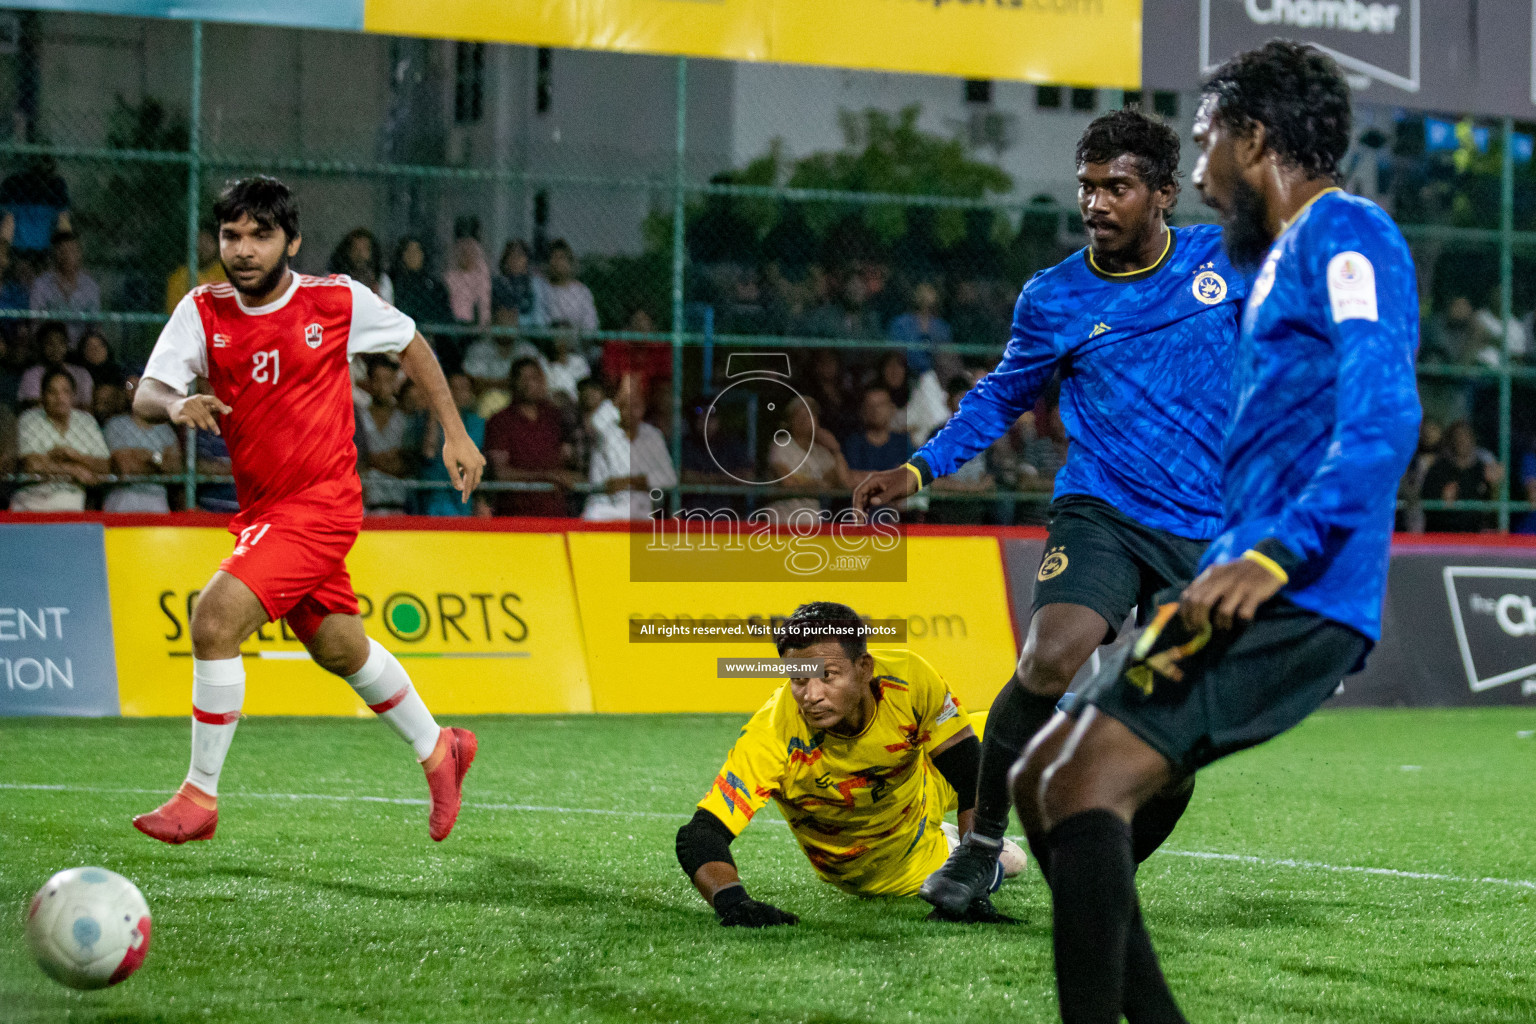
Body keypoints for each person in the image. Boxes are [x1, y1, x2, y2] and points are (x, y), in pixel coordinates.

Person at [1007, 42, 1420, 1024]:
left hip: (1295, 590)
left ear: (1257, 137)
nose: (1193, 165)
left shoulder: (1349, 236)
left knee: (1082, 785)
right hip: (1239, 581)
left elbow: (1384, 414)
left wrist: (1275, 551)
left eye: (1205, 137)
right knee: (1041, 784)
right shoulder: (1273, 260)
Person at [854, 107, 1246, 918]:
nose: (1097, 204)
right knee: (1046, 660)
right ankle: (981, 847)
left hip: (1206, 530)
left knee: (1173, 732)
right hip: (1100, 508)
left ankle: (1097, 875)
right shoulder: (1055, 295)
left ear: (1166, 193)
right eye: (1087, 187)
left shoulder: (1226, 261)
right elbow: (1003, 394)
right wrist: (921, 466)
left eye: (1118, 187)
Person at [129, 176, 486, 845]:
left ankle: (199, 796)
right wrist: (177, 404)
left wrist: (455, 433)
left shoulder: (335, 300)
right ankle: (442, 749)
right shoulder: (202, 311)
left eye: (260, 235)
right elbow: (147, 391)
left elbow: (411, 343)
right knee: (338, 644)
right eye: (231, 235)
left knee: (213, 621)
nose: (243, 249)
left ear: (290, 241)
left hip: (321, 504)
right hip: (263, 508)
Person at [675, 602, 1027, 926]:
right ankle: (958, 846)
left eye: (827, 675)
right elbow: (700, 835)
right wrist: (733, 903)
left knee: (1023, 733)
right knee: (1015, 862)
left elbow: (971, 777)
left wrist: (975, 873)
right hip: (893, 858)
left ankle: (962, 838)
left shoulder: (909, 680)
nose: (811, 696)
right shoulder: (773, 736)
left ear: (864, 668)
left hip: (918, 780)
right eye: (798, 679)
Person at [483, 357, 573, 518]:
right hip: (515, 512)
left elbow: (568, 464)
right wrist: (546, 476)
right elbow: (501, 473)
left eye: (534, 377)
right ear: (513, 382)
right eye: (523, 378)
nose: (529, 383)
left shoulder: (556, 417)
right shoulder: (500, 421)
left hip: (554, 512)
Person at [11, 367, 110, 511]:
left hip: (72, 503)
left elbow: (105, 466)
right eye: (52, 392)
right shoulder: (30, 418)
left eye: (65, 391)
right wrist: (73, 470)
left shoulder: (86, 421)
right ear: (43, 396)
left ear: (73, 396)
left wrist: (75, 456)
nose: (60, 398)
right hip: (31, 502)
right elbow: (31, 463)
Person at [581, 374, 675, 521]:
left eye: (635, 405)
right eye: (625, 405)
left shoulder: (653, 435)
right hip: (604, 508)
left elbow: (669, 478)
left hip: (640, 510)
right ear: (618, 407)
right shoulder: (606, 431)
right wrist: (621, 395)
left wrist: (631, 481)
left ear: (643, 408)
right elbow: (596, 422)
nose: (630, 411)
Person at [103, 379, 182, 513]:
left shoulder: (165, 429)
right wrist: (159, 462)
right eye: (130, 386)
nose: (136, 391)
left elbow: (175, 468)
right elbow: (125, 466)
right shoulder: (115, 425)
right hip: (123, 496)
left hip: (157, 498)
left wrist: (150, 456)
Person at [418, 373, 486, 517]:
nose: (460, 393)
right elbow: (428, 453)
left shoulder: (476, 422)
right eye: (454, 388)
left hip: (465, 494)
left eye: (464, 388)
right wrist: (433, 415)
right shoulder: (425, 420)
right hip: (435, 494)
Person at [356, 355, 417, 514]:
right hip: (366, 506)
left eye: (388, 380)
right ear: (369, 383)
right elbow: (356, 462)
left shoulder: (405, 420)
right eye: (377, 380)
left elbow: (407, 464)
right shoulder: (358, 418)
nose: (383, 386)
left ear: (395, 383)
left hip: (398, 506)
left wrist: (372, 460)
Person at [1421, 420, 1501, 533]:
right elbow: (1426, 505)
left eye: (1466, 436)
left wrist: (1495, 485)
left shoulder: (1482, 470)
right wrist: (1441, 501)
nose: (1462, 440)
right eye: (1458, 436)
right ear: (1451, 440)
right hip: (1443, 535)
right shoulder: (1438, 469)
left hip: (1475, 536)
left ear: (1473, 439)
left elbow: (1494, 509)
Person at [30, 228, 100, 343]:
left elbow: (94, 322)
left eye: (72, 250)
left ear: (79, 254)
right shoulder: (41, 284)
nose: (67, 255)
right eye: (62, 250)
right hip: (50, 345)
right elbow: (36, 321)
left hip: (81, 345)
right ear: (55, 254)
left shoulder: (90, 285)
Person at [17, 321, 92, 408]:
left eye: (61, 343)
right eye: (50, 343)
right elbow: (36, 407)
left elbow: (87, 408)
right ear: (42, 346)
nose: (56, 348)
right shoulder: (31, 375)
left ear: (67, 345)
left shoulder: (82, 374)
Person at [887, 280, 953, 376]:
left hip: (936, 374)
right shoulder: (901, 323)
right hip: (906, 372)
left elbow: (946, 354)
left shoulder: (941, 326)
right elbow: (895, 352)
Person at [842, 385, 911, 473]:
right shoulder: (853, 444)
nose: (876, 410)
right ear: (862, 411)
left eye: (881, 405)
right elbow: (850, 478)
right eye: (870, 405)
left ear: (892, 409)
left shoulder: (903, 443)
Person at [536, 239, 599, 333]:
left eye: (561, 257)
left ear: (569, 262)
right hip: (549, 340)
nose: (556, 262)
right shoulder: (541, 289)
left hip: (577, 339)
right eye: (553, 257)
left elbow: (591, 322)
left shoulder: (581, 291)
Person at [389, 236, 452, 328]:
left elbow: (444, 314)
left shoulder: (434, 286)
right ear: (402, 255)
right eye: (408, 251)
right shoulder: (393, 282)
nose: (413, 255)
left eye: (417, 251)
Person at [165, 228, 227, 313]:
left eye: (207, 242)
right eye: (199, 242)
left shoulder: (226, 270)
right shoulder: (179, 276)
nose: (202, 247)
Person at [444, 224, 492, 328]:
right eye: (463, 251)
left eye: (471, 250)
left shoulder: (483, 277)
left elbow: (485, 307)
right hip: (454, 328)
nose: (467, 254)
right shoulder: (449, 277)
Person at [492, 239, 547, 327]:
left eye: (519, 255)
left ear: (527, 260)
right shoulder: (496, 283)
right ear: (505, 259)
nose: (515, 259)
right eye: (511, 255)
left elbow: (538, 314)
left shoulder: (535, 283)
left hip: (529, 330)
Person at [329, 227, 392, 304]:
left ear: (372, 252)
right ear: (347, 252)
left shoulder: (382, 280)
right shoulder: (333, 279)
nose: (360, 255)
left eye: (365, 249)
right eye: (355, 249)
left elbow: (388, 310)